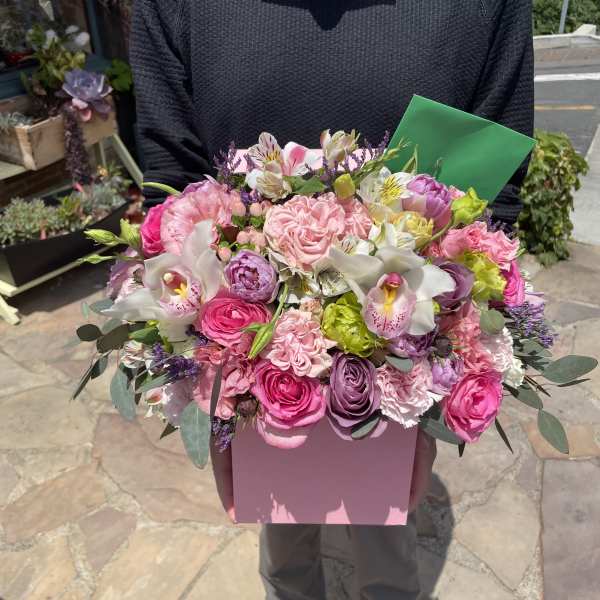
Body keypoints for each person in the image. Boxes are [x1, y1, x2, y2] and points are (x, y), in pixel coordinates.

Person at [130, 1, 533, 598]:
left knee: (386, 551)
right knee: (284, 544)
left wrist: (434, 398)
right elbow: (173, 182)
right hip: (250, 353)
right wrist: (208, 393)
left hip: (405, 343)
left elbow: (490, 186)